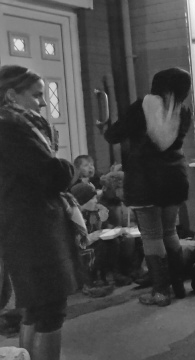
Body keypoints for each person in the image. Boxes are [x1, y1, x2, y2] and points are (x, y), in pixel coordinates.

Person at [0, 65, 78, 360]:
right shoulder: (12, 130)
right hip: (32, 227)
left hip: (23, 224)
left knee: (35, 307)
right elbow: (53, 174)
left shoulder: (14, 126)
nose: (44, 103)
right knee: (49, 308)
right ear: (12, 95)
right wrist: (65, 166)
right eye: (36, 95)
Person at [104, 67, 192, 307]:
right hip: (175, 176)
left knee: (152, 235)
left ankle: (160, 292)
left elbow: (114, 135)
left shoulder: (142, 107)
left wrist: (106, 124)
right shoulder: (183, 111)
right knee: (170, 232)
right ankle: (177, 286)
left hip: (146, 179)